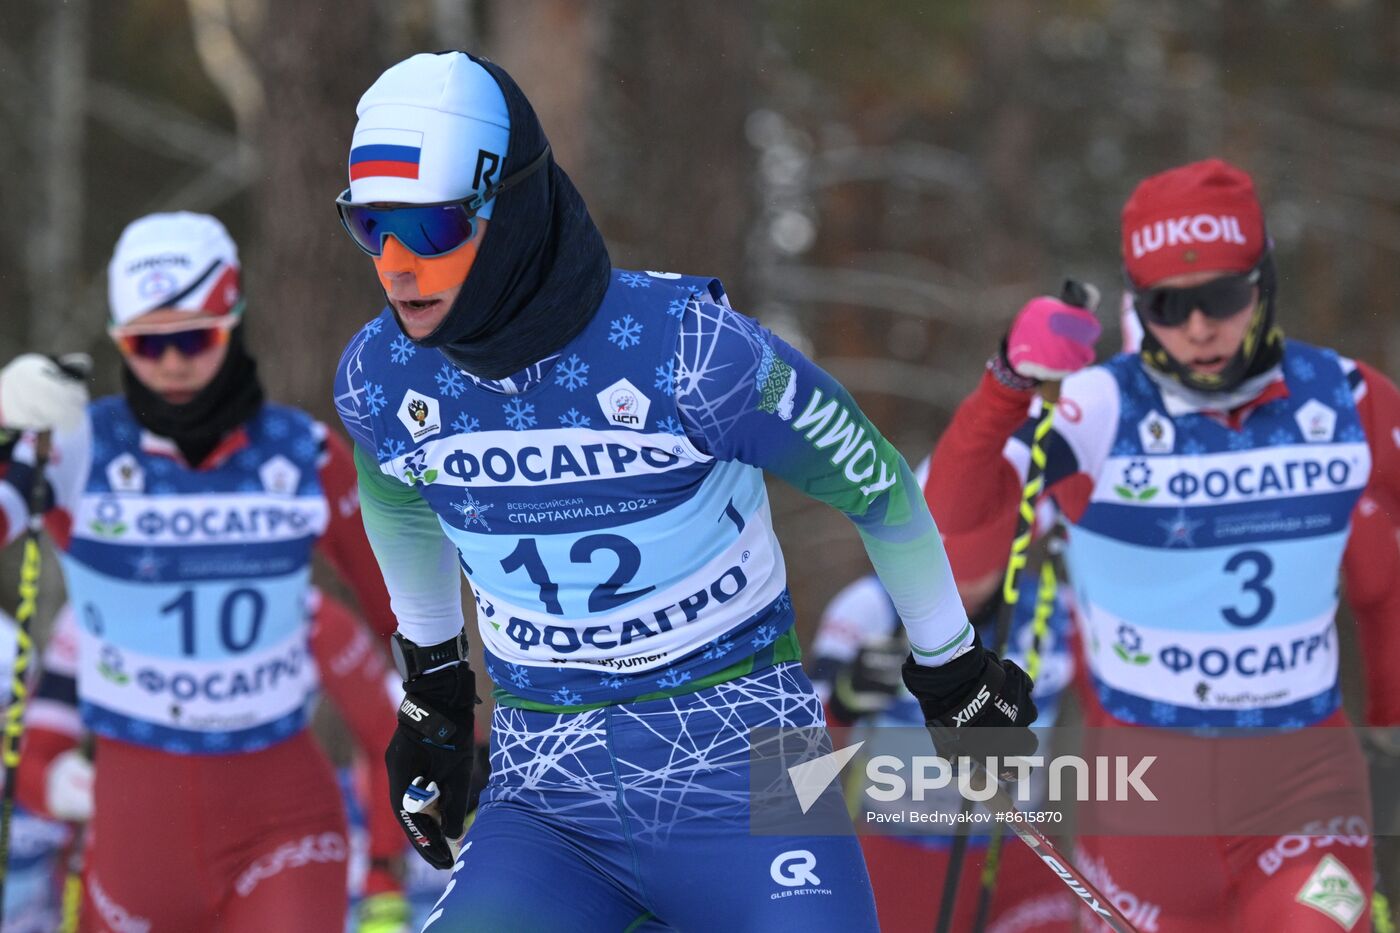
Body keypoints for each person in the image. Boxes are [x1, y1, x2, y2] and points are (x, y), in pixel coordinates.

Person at [331, 51, 1035, 931]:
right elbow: (396, 496)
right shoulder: (382, 376)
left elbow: (877, 482)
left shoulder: (693, 354)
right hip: (551, 807)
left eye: (430, 229)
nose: (395, 265)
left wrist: (951, 663)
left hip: (747, 781)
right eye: (370, 227)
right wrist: (435, 679)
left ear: (506, 209)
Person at [927, 158, 1400, 931]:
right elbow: (953, 524)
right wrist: (1008, 382)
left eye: (1222, 297)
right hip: (1143, 804)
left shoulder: (1348, 398)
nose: (1199, 328)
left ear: (1264, 281)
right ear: (1135, 303)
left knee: (1331, 921)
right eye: (1168, 305)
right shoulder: (1095, 406)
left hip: (1305, 792)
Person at [0, 212, 402, 932]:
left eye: (194, 337)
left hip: (283, 822)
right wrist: (6, 436)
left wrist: (443, 713)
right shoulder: (74, 447)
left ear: (234, 321)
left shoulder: (299, 453)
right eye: (147, 343)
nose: (172, 361)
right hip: (132, 840)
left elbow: (400, 608)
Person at [18, 595, 412, 933]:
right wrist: (56, 787)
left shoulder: (302, 610)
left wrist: (383, 879)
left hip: (270, 849)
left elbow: (387, 736)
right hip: (139, 859)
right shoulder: (93, 610)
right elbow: (33, 757)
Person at [809, 468, 1077, 933]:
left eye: (979, 555)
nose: (956, 576)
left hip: (1018, 850)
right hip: (900, 853)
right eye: (939, 550)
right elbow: (789, 769)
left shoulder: (1056, 611)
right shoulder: (870, 609)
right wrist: (847, 700)